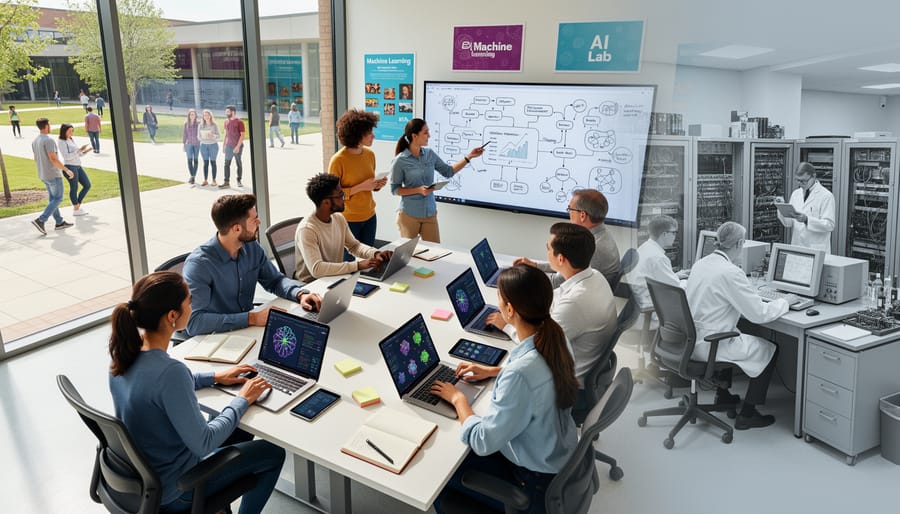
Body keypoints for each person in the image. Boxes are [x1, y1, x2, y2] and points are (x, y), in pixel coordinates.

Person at [107, 271, 285, 513]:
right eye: (189, 302)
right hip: (178, 490)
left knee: (234, 427)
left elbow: (158, 388)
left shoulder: (124, 357)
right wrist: (242, 399)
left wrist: (214, 377)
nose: (193, 307)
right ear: (172, 316)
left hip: (145, 480)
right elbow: (204, 443)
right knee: (273, 453)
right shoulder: (171, 372)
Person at [431, 264, 578, 514]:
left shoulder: (521, 373)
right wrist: (493, 371)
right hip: (556, 457)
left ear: (509, 309)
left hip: (531, 482)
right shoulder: (556, 336)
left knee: (439, 474)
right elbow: (536, 375)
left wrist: (458, 399)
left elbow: (482, 440)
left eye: (499, 298)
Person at [487, 223, 616, 401]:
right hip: (583, 366)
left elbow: (537, 345)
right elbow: (554, 300)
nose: (547, 253)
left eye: (548, 248)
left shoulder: (575, 303)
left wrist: (508, 324)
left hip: (568, 388)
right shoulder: (594, 276)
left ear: (561, 259)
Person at [686, 221, 788, 430]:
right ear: (740, 243)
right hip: (711, 344)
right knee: (771, 349)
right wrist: (786, 302)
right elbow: (759, 314)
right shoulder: (731, 272)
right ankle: (747, 415)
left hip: (690, 340)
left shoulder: (701, 264)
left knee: (738, 332)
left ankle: (722, 396)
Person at [182, 194, 321, 336]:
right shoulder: (199, 265)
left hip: (248, 330)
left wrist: (299, 294)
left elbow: (275, 280)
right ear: (236, 229)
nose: (259, 222)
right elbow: (194, 322)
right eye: (254, 219)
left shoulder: (251, 247)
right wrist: (252, 318)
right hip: (216, 338)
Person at [390, 118, 484, 242]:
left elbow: (448, 171)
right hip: (409, 215)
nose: (429, 135)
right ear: (414, 136)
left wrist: (469, 157)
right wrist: (418, 190)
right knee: (409, 256)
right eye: (425, 132)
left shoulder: (429, 154)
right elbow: (395, 189)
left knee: (435, 253)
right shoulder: (400, 161)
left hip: (430, 213)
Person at [294, 173, 392, 282]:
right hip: (311, 286)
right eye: (340, 195)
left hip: (335, 278)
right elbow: (317, 269)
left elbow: (354, 246)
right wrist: (358, 265)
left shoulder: (338, 218)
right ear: (326, 202)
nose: (344, 199)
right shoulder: (307, 229)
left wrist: (376, 253)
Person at [516, 189, 622, 289]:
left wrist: (524, 274)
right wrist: (535, 266)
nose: (569, 214)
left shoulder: (592, 247)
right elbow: (566, 265)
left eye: (570, 209)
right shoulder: (601, 235)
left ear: (582, 215)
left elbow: (557, 283)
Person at [328, 109, 386, 249]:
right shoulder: (338, 160)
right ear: (356, 135)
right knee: (350, 263)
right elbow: (332, 196)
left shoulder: (370, 155)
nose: (373, 136)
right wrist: (361, 187)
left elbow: (369, 185)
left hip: (370, 216)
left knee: (368, 261)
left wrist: (377, 185)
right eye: (369, 133)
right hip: (348, 220)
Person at [623, 215, 685, 309]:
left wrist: (676, 275)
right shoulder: (658, 258)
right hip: (652, 307)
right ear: (664, 234)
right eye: (674, 232)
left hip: (639, 301)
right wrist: (692, 281)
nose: (675, 236)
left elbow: (660, 277)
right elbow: (676, 288)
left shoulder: (645, 247)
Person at [775, 161, 835, 253]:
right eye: (798, 180)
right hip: (797, 246)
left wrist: (807, 220)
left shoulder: (826, 196)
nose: (800, 183)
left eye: (803, 181)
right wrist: (781, 207)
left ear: (813, 176)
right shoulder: (796, 194)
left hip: (816, 249)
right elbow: (788, 223)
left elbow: (829, 225)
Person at [31, 118, 75, 235]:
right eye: (49, 124)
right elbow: (53, 159)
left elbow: (36, 158)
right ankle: (41, 220)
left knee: (53, 199)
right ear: (46, 126)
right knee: (58, 198)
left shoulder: (35, 140)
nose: (50, 126)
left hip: (43, 174)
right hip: (53, 175)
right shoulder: (49, 140)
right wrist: (66, 170)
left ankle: (59, 222)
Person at [58, 123, 92, 217]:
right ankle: (76, 209)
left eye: (72, 131)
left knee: (87, 185)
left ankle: (77, 206)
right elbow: (67, 157)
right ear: (64, 131)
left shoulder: (71, 139)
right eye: (70, 131)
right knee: (74, 188)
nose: (71, 133)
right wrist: (79, 150)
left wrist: (85, 151)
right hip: (70, 167)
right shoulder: (61, 141)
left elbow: (78, 154)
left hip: (78, 166)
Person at [221, 105, 245, 188]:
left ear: (233, 112)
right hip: (228, 146)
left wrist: (238, 147)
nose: (226, 113)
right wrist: (224, 145)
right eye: (226, 111)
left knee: (238, 163)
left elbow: (242, 135)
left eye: (228, 111)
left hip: (237, 146)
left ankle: (239, 180)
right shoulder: (226, 121)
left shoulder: (239, 122)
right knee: (226, 164)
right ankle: (226, 182)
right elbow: (226, 134)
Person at [198, 109, 220, 186]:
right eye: (204, 115)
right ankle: (205, 180)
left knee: (213, 162)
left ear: (210, 116)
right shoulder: (200, 125)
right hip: (203, 146)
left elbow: (219, 136)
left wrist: (212, 136)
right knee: (205, 163)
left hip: (213, 145)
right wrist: (204, 137)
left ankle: (214, 180)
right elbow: (199, 137)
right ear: (203, 117)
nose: (206, 117)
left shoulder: (214, 125)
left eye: (207, 115)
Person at [182, 109, 200, 184]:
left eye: (193, 114)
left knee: (195, 160)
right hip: (188, 144)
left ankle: (193, 177)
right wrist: (183, 144)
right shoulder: (186, 123)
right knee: (189, 160)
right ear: (189, 115)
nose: (192, 115)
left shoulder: (199, 123)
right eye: (191, 114)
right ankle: (192, 176)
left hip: (197, 144)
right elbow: (184, 134)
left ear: (196, 115)